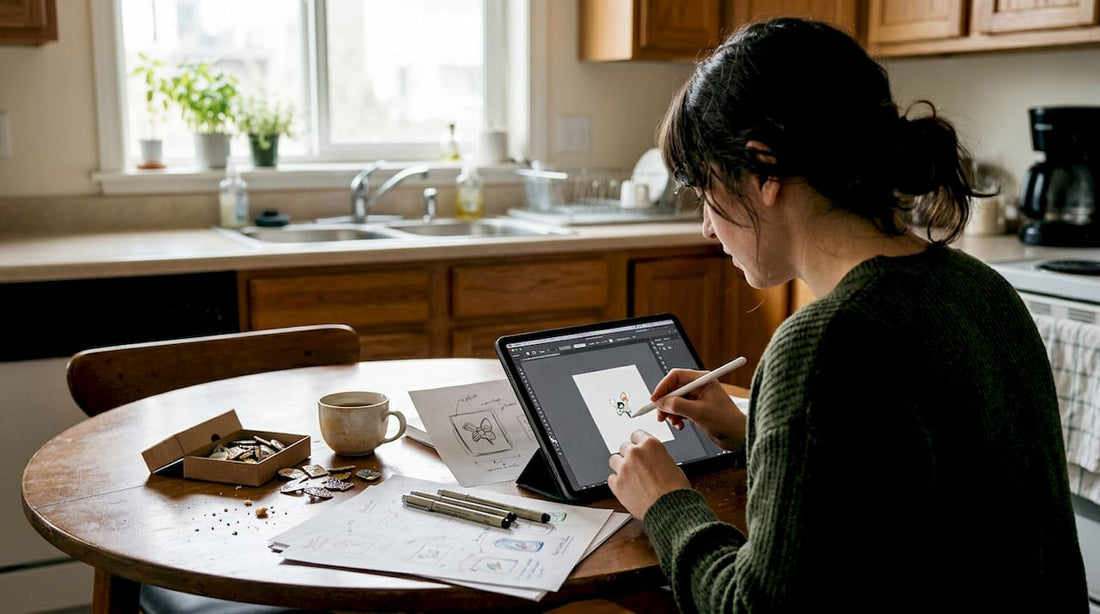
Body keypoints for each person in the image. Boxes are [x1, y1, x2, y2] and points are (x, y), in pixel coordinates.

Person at [606, 17, 1087, 613]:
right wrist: (754, 431)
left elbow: (753, 608)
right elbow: (901, 477)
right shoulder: (980, 287)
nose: (706, 225)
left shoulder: (824, 342)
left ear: (765, 171)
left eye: (707, 190)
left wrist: (664, 503)